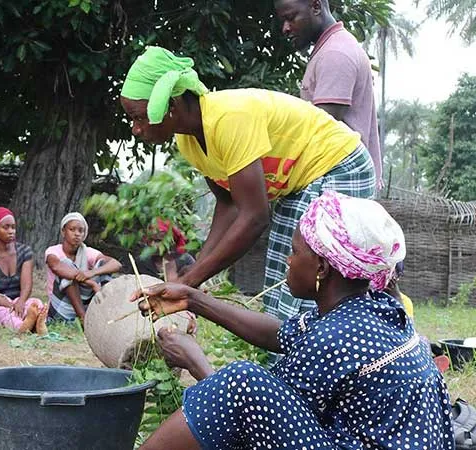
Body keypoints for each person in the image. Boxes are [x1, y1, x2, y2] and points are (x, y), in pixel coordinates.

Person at [133, 191, 454, 450]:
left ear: (322, 268)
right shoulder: (372, 309)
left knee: (239, 383)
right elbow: (279, 334)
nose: (288, 259)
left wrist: (195, 361)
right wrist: (193, 298)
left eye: (294, 251)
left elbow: (253, 414)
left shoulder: (336, 338)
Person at [120, 46, 376, 332]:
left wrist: (189, 284)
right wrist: (192, 276)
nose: (136, 129)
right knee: (284, 272)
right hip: (300, 180)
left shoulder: (229, 118)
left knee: (314, 276)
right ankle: (285, 358)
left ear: (172, 106)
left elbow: (255, 216)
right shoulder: (188, 141)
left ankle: (328, 354)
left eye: (139, 117)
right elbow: (229, 205)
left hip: (338, 165)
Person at [275, 0, 382, 186]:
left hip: (340, 185)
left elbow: (321, 133)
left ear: (316, 6)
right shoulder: (332, 48)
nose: (285, 28)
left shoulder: (335, 54)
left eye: (290, 18)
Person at [0, 207, 47, 334]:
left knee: (36, 303)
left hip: (19, 300)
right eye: (6, 227)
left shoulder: (25, 252)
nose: (11, 231)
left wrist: (21, 302)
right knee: (4, 314)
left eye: (13, 227)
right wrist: (11, 306)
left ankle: (33, 322)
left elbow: (27, 285)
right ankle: (26, 326)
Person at [45, 212, 122, 322]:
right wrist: (92, 283)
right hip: (61, 308)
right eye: (72, 229)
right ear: (63, 231)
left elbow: (116, 264)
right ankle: (83, 319)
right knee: (66, 264)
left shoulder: (87, 252)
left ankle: (107, 313)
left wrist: (91, 273)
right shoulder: (53, 251)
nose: (77, 234)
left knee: (103, 264)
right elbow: (57, 267)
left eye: (80, 231)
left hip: (86, 304)